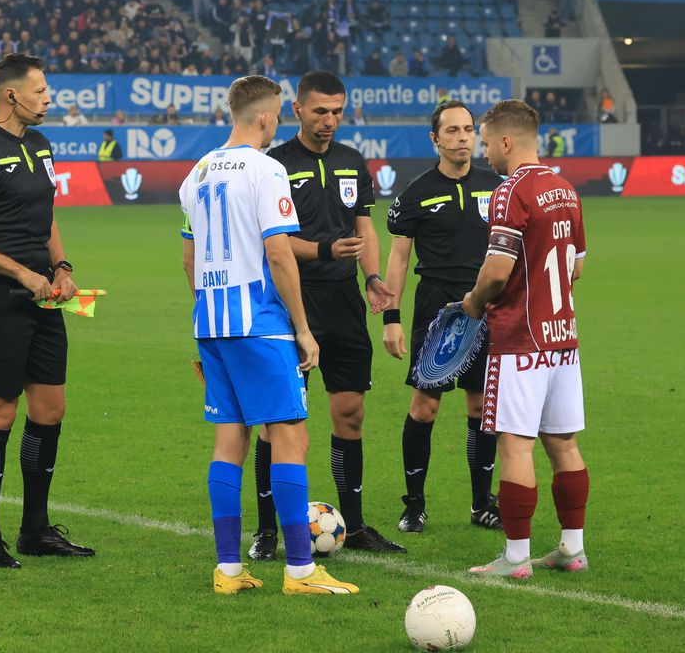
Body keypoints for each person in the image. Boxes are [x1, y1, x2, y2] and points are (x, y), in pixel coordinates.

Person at [180, 75, 358, 596]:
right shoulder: (267, 169)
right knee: (291, 437)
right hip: (260, 324)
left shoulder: (197, 172)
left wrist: (210, 315)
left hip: (211, 322)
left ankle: (228, 570)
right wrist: (302, 328)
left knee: (229, 439)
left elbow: (189, 258)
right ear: (264, 116)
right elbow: (279, 254)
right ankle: (301, 570)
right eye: (277, 113)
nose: (277, 121)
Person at [0, 53, 95, 568]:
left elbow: (46, 216)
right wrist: (21, 273)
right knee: (1, 411)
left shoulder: (42, 145)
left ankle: (35, 529)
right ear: (12, 95)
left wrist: (61, 267)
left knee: (50, 409)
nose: (48, 99)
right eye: (41, 91)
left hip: (45, 297)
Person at [253, 71, 407, 559]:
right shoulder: (274, 165)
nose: (329, 120)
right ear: (297, 110)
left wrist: (372, 277)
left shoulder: (351, 160)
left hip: (343, 305)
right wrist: (323, 250)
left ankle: (354, 526)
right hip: (290, 303)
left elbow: (365, 228)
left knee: (350, 414)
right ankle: (267, 531)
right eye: (320, 111)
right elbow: (274, 242)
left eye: (337, 111)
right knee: (277, 424)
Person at [462, 99, 591, 579]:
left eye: (486, 142)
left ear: (506, 141)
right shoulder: (565, 188)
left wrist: (474, 302)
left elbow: (497, 272)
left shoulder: (510, 191)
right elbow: (577, 267)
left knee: (515, 447)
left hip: (520, 340)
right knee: (564, 444)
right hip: (563, 339)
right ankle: (572, 549)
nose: (484, 151)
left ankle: (516, 558)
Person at [383, 101, 505, 534]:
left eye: (468, 129)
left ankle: (481, 504)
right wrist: (391, 317)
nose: (462, 137)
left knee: (481, 406)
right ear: (434, 139)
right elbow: (399, 259)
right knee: (425, 407)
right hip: (437, 308)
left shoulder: (497, 187)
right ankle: (414, 504)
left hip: (487, 305)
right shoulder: (416, 193)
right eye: (452, 130)